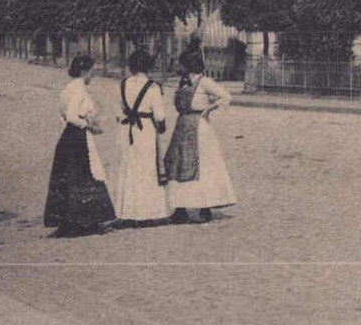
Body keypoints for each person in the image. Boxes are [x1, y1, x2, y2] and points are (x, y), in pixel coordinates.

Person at [43, 54, 117, 236]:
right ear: (84, 72)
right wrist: (88, 126)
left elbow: (63, 113)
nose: (92, 76)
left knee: (72, 177)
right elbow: (71, 116)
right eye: (91, 72)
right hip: (78, 137)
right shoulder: (78, 89)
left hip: (69, 137)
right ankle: (85, 221)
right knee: (86, 175)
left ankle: (76, 221)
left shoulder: (68, 88)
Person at [164, 48, 237, 223]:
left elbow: (226, 96)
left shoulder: (205, 82)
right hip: (182, 126)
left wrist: (209, 108)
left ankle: (205, 207)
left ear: (188, 65)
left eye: (181, 64)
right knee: (179, 165)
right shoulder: (183, 82)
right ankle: (180, 208)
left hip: (199, 128)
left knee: (202, 167)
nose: (178, 66)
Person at [110, 48, 170, 225]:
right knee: (146, 172)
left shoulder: (122, 84)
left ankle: (126, 212)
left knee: (127, 170)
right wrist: (162, 127)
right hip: (145, 132)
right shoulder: (152, 87)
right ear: (149, 66)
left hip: (126, 130)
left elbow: (117, 112)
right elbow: (159, 116)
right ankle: (147, 212)